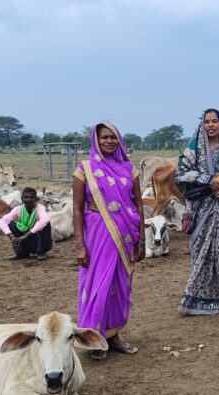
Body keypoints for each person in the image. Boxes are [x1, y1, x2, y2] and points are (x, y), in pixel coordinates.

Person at [73, 121, 145, 359]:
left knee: (120, 286)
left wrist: (141, 239)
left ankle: (113, 337)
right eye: (104, 137)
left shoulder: (129, 169)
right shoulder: (85, 169)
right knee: (98, 285)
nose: (109, 141)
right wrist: (80, 246)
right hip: (96, 236)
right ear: (96, 139)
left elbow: (138, 204)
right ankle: (95, 338)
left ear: (120, 140)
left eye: (113, 137)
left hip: (124, 236)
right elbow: (76, 210)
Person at [176, 108, 219, 315]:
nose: (211, 125)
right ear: (202, 125)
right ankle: (198, 300)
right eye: (207, 121)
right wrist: (208, 180)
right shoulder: (191, 152)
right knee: (201, 253)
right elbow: (180, 175)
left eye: (215, 121)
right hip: (200, 210)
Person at [0, 187, 53, 260]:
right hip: (25, 241)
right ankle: (21, 253)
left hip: (40, 242)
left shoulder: (40, 208)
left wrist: (26, 235)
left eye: (31, 198)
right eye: (26, 197)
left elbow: (45, 219)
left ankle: (41, 252)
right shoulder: (18, 209)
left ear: (36, 199)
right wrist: (11, 236)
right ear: (22, 199)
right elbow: (1, 221)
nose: (28, 200)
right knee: (10, 224)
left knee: (45, 224)